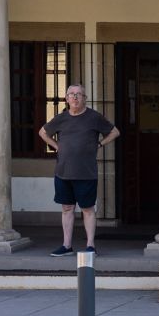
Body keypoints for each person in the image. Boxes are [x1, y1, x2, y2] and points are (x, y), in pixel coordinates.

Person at [39, 84, 119, 256]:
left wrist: (99, 143)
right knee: (67, 208)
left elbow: (114, 132)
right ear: (67, 98)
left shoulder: (94, 117)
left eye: (79, 94)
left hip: (86, 172)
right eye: (71, 94)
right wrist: (57, 146)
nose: (75, 97)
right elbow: (42, 132)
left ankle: (90, 245)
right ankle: (66, 245)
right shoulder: (61, 118)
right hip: (63, 172)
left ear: (85, 98)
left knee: (87, 209)